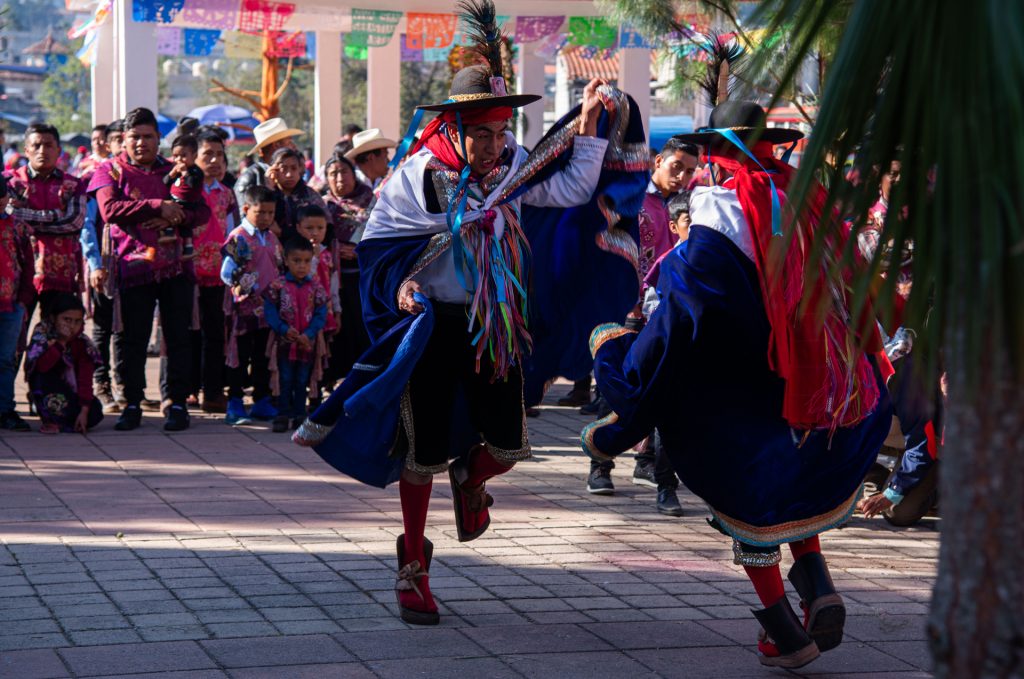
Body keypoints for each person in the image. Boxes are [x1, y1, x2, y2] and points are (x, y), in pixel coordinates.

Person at [293, 0, 636, 627]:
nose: (493, 143)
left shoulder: (513, 169)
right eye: (481, 132)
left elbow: (569, 190)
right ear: (453, 129)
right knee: (419, 451)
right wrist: (402, 287)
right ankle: (413, 567)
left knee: (506, 446)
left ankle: (472, 479)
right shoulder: (417, 177)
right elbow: (381, 247)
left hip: (495, 325)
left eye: (501, 131)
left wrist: (587, 128)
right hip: (433, 328)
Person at [583, 100, 893, 668]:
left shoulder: (716, 225)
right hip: (815, 392)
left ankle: (783, 631)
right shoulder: (805, 202)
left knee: (746, 500)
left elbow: (677, 322)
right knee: (792, 492)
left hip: (743, 396)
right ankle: (819, 586)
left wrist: (616, 356)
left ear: (717, 157)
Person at [585, 138, 699, 514]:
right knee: (615, 385)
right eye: (676, 166)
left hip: (668, 313)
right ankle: (600, 464)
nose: (682, 176)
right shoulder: (632, 198)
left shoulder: (692, 205)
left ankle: (653, 469)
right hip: (626, 306)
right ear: (658, 161)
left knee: (667, 393)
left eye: (689, 169)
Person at [88, 107, 211, 432]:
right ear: (124, 140)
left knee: (178, 337)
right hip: (133, 267)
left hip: (175, 269)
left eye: (148, 137)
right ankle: (131, 403)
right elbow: (110, 209)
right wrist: (158, 206)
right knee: (133, 339)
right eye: (135, 137)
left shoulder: (178, 170)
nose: (141, 143)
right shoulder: (109, 171)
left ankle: (177, 403)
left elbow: (202, 212)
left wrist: (177, 215)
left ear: (159, 139)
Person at [854, 160, 942, 526]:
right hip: (878, 336)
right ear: (881, 177)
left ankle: (936, 485)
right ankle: (868, 477)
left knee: (900, 515)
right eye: (898, 176)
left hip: (924, 344)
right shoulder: (859, 229)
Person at [6, 122, 87, 316]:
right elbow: (9, 217)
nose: (42, 151)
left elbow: (74, 222)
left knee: (57, 335)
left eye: (49, 145)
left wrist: (26, 217)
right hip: (17, 269)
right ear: (26, 150)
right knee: (14, 333)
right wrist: (56, 215)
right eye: (36, 145)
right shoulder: (9, 181)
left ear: (58, 150)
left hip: (61, 272)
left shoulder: (74, 184)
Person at [220, 185, 282, 425]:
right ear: (246, 209)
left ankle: (262, 400)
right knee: (239, 356)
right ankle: (235, 402)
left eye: (270, 212)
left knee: (262, 356)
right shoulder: (238, 237)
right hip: (243, 309)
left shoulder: (272, 237)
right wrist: (243, 286)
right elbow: (226, 272)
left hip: (268, 309)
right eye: (261, 212)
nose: (266, 217)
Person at [188, 130, 237, 414]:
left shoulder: (226, 193)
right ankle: (188, 389)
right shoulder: (185, 190)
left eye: (220, 155)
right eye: (208, 154)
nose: (216, 160)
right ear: (194, 157)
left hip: (219, 274)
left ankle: (214, 390)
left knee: (216, 333)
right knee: (187, 332)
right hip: (189, 271)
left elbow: (231, 234)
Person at [80, 120, 124, 414]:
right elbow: (88, 226)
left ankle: (125, 387)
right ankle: (101, 385)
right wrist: (95, 263)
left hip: (135, 264)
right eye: (119, 139)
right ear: (108, 145)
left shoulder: (142, 176)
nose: (125, 144)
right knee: (102, 329)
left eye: (128, 138)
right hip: (105, 263)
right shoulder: (100, 177)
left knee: (127, 328)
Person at [264, 238, 328, 433]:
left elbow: (321, 313)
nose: (301, 266)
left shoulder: (316, 287)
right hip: (285, 343)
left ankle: (300, 414)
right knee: (284, 378)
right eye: (296, 261)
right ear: (286, 260)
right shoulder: (278, 285)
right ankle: (283, 414)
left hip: (306, 344)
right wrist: (283, 329)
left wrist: (308, 334)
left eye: (306, 261)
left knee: (302, 379)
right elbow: (270, 311)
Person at [321, 154, 372, 381]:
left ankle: (360, 380)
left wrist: (360, 251)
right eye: (333, 173)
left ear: (354, 174)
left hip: (362, 280)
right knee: (336, 331)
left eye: (344, 172)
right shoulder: (322, 205)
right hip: (330, 280)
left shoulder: (371, 202)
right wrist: (334, 249)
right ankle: (332, 379)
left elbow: (381, 237)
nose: (339, 177)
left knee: (360, 331)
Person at [23, 293, 104, 434]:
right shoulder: (43, 334)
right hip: (47, 387)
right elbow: (42, 366)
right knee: (44, 383)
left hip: (69, 392)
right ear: (54, 318)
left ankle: (68, 418)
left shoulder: (83, 343)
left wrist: (84, 411)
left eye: (77, 321)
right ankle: (48, 416)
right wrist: (61, 343)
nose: (72, 326)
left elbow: (85, 379)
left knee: (95, 412)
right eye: (66, 319)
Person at [0, 175, 34, 432]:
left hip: (10, 304)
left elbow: (27, 266)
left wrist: (23, 300)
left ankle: (5, 410)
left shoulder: (17, 227)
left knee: (6, 359)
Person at [234, 118, 304, 207]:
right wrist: (267, 189)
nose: (294, 146)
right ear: (276, 146)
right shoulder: (249, 178)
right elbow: (244, 215)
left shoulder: (294, 175)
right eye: (289, 142)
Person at [266, 147, 328, 244]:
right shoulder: (267, 194)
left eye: (294, 168)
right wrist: (269, 188)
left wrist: (283, 232)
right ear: (273, 170)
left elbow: (326, 228)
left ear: (300, 170)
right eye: (283, 169)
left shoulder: (310, 195)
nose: (289, 174)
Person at [295, 204, 338, 340]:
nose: (315, 233)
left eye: (320, 228)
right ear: (298, 228)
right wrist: (313, 258)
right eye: (309, 228)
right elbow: (303, 277)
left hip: (324, 308)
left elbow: (333, 283)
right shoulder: (294, 254)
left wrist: (337, 309)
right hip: (302, 308)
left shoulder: (327, 254)